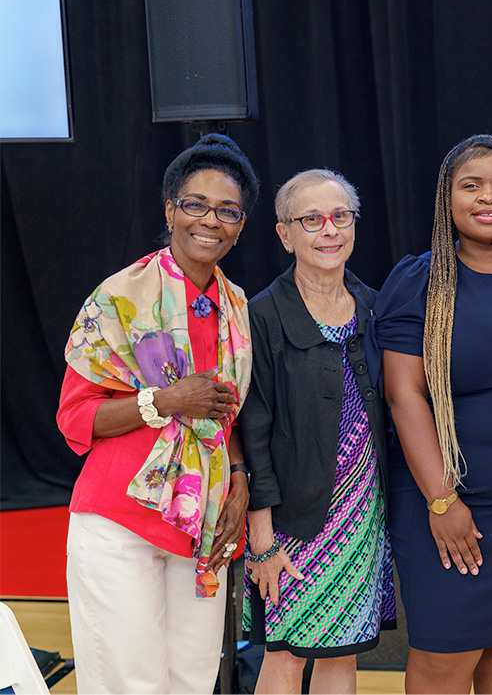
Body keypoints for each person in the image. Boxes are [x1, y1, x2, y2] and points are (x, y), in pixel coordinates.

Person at [57, 133, 259, 693]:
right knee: (130, 683)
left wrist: (240, 476)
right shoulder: (119, 297)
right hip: (119, 519)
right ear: (170, 209)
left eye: (227, 210)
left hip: (203, 521)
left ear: (241, 225)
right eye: (195, 204)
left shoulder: (237, 306)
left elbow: (228, 414)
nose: (209, 221)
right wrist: (162, 402)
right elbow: (76, 418)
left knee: (192, 681)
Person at [370, 135, 492, 694]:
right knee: (444, 656)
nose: (489, 197)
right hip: (446, 501)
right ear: (447, 199)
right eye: (471, 185)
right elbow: (403, 395)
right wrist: (441, 500)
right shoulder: (419, 282)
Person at [238, 169, 396, 692]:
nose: (329, 230)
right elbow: (251, 432)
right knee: (284, 656)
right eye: (311, 219)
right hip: (293, 524)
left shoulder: (376, 307)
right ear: (285, 234)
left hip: (363, 518)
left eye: (340, 217)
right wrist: (261, 543)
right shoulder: (260, 315)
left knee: (342, 656)